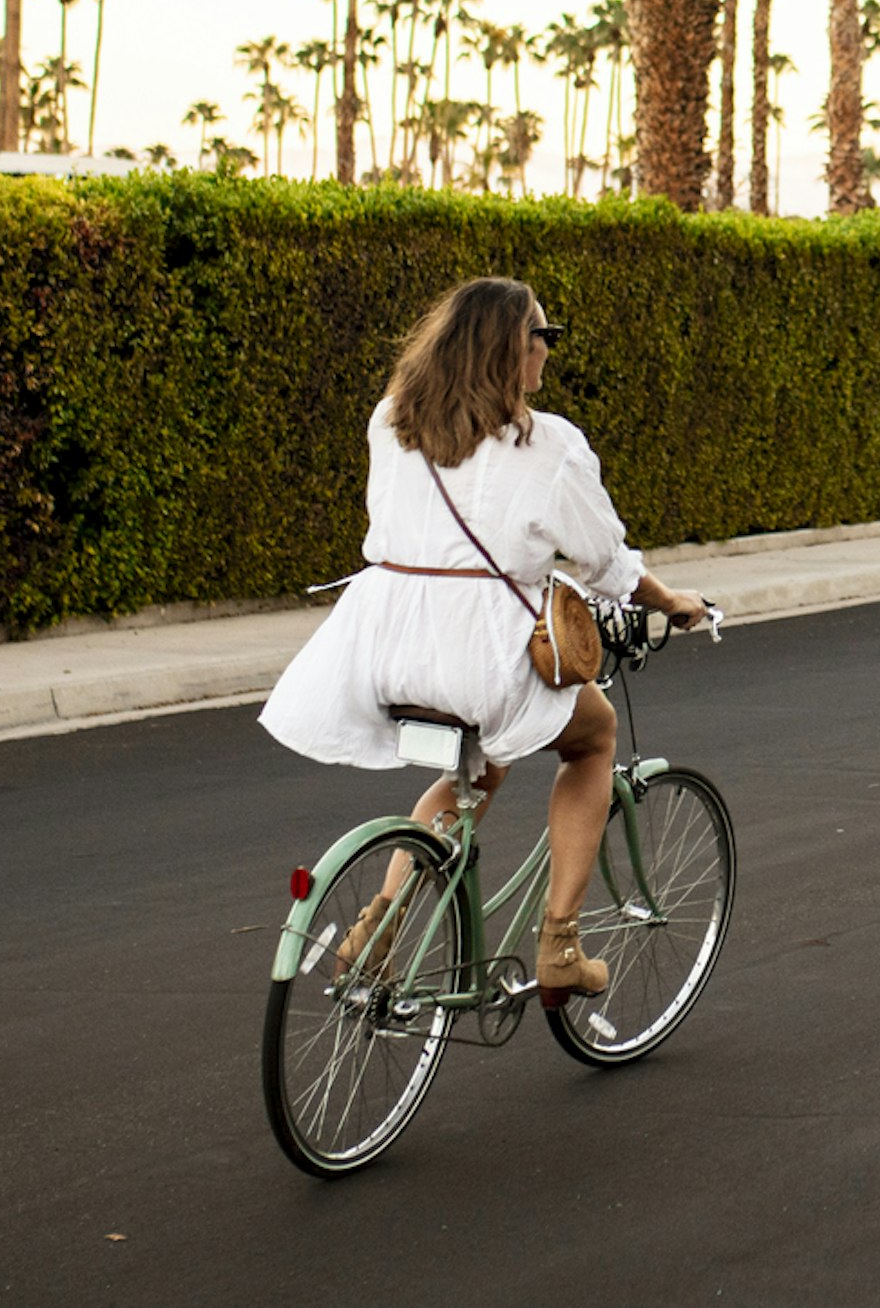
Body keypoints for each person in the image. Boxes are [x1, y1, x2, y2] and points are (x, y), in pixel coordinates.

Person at [259, 277, 710, 1001]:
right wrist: (673, 601)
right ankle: (561, 940)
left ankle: (378, 926)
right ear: (511, 349)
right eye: (544, 337)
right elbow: (606, 564)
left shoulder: (391, 422)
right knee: (594, 737)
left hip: (386, 644)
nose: (549, 354)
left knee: (474, 771)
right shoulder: (548, 446)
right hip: (479, 654)